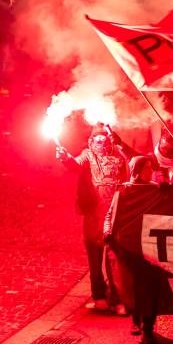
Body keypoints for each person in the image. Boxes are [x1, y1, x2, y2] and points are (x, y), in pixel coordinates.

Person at [57, 126, 129, 312]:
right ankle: (99, 296)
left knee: (114, 257)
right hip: (93, 213)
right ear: (91, 139)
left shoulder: (119, 154)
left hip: (114, 212)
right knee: (94, 256)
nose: (100, 140)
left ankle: (118, 298)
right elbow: (75, 164)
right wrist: (65, 157)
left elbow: (129, 172)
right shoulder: (87, 155)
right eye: (96, 136)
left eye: (103, 136)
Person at [105, 156, 162, 344]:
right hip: (132, 248)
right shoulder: (125, 190)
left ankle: (148, 327)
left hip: (151, 247)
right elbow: (110, 214)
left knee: (151, 287)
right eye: (146, 168)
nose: (150, 171)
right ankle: (136, 320)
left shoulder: (156, 190)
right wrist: (107, 232)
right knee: (136, 287)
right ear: (136, 170)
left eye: (150, 168)